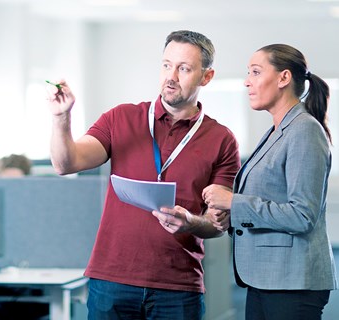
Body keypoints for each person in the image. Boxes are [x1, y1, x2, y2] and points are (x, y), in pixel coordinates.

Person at [46, 30, 240, 319]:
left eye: (184, 68)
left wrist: (190, 223)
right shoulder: (121, 118)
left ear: (206, 77)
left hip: (178, 286)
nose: (170, 76)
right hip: (112, 280)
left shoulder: (222, 139)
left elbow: (217, 224)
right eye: (166, 65)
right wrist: (61, 117)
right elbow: (66, 164)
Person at [202, 44, 338, 319]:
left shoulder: (304, 130)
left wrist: (234, 202)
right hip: (267, 278)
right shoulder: (278, 129)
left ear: (283, 78)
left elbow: (302, 214)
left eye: (255, 72)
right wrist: (232, 215)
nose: (247, 81)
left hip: (291, 282)